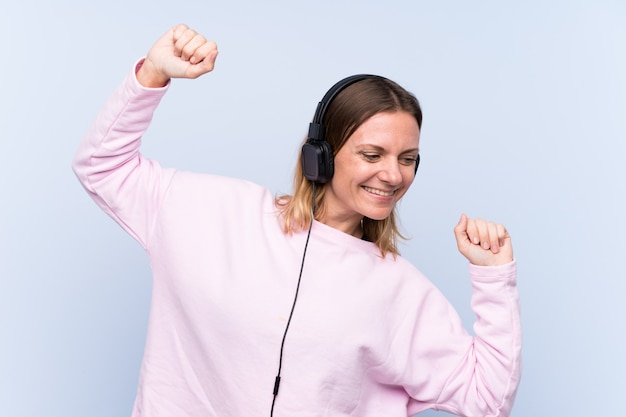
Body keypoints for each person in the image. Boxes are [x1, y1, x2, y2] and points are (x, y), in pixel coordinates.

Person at [73, 24, 521, 417]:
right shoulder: (212, 211)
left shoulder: (401, 291)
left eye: (408, 159)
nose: (393, 174)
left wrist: (494, 279)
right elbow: (100, 166)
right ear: (319, 155)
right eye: (372, 154)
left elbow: (487, 400)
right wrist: (153, 74)